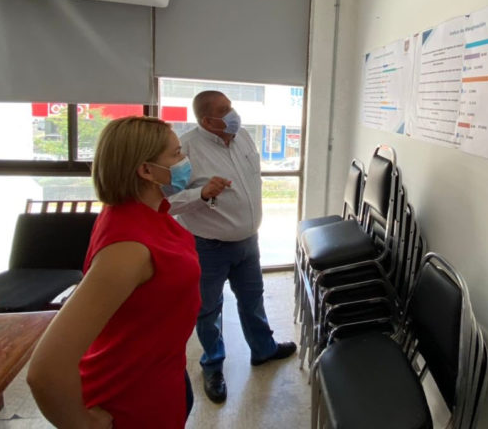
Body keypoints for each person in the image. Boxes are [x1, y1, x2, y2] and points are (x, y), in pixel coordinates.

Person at [27, 116, 201, 428]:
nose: (185, 160)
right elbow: (46, 370)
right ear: (146, 170)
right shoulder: (129, 248)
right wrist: (83, 425)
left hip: (165, 373)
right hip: (132, 397)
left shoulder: (145, 212)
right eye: (176, 154)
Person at [168, 90, 296, 404]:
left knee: (253, 299)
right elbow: (166, 203)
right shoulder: (185, 149)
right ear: (206, 121)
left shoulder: (244, 138)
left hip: (248, 242)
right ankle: (213, 365)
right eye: (225, 110)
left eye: (231, 106)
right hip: (208, 247)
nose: (233, 113)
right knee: (208, 309)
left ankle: (263, 349)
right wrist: (201, 194)